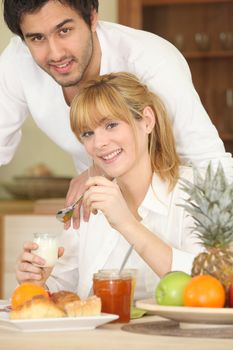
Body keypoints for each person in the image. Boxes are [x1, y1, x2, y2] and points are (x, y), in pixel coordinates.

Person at [1, 0, 232, 229]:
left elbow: (207, 161)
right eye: (37, 38)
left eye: (64, 30)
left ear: (92, 18)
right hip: (98, 209)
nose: (55, 53)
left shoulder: (151, 61)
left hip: (175, 211)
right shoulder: (17, 63)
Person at [15, 72, 202, 300]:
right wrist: (38, 282)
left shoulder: (196, 191)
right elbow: (64, 287)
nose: (99, 143)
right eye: (87, 133)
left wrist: (126, 223)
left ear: (147, 121)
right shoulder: (89, 200)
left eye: (111, 125)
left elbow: (209, 284)